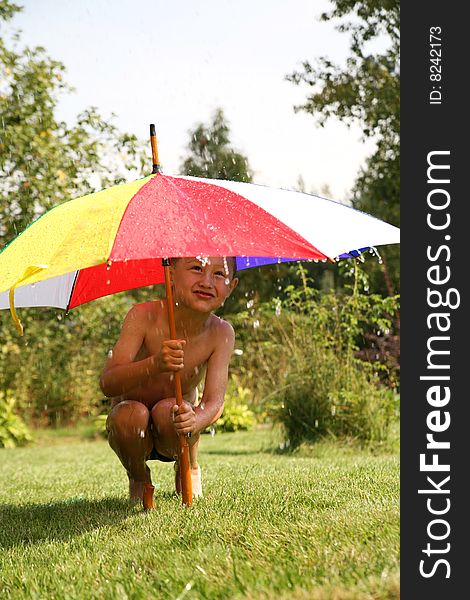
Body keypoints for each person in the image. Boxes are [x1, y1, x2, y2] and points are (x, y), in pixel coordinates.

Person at [100, 256, 239, 504]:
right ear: (171, 273)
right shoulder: (143, 316)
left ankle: (189, 465)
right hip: (133, 427)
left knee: (172, 410)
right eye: (196, 268)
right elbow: (108, 383)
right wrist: (154, 365)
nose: (207, 282)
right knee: (129, 415)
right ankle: (139, 476)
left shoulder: (221, 332)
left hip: (175, 428)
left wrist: (195, 420)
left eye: (219, 274)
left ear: (231, 287)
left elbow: (214, 401)